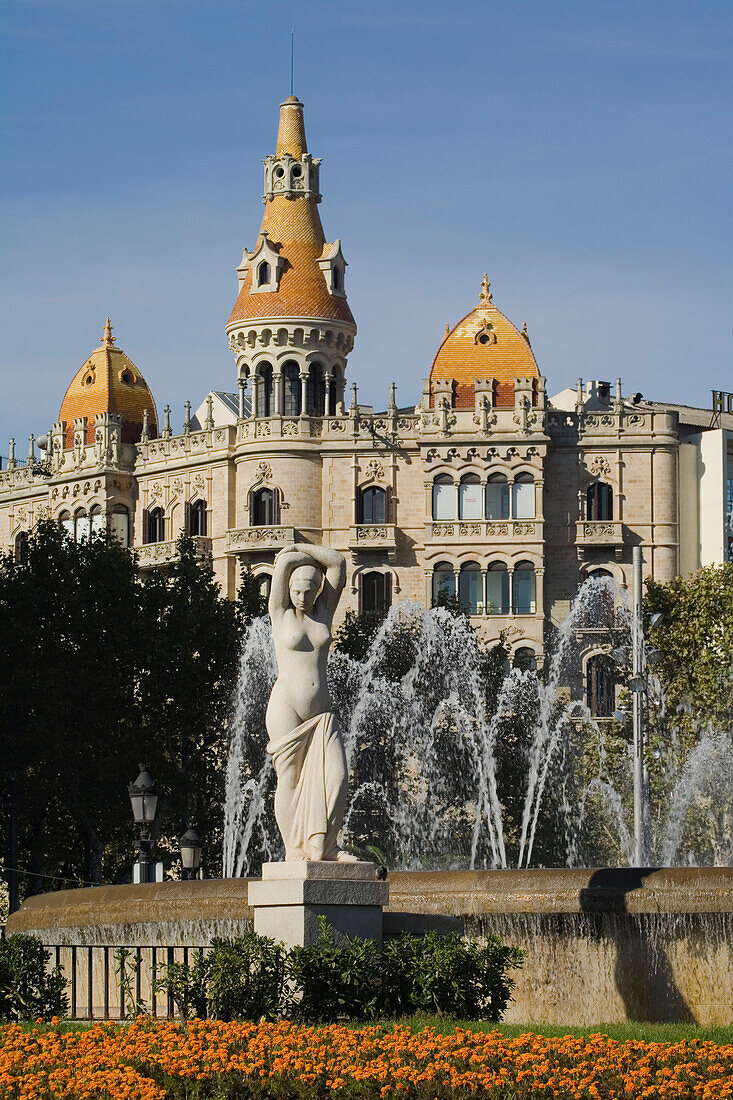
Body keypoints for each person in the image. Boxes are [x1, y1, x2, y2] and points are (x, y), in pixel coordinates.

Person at [266, 542, 356, 861]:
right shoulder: (279, 613)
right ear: (288, 588)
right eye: (297, 590)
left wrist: (299, 547)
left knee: (338, 776)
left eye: (309, 590)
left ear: (318, 590)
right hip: (286, 707)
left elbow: (338, 564)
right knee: (288, 778)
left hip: (322, 714)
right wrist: (291, 557)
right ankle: (294, 849)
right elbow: (283, 564)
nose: (302, 597)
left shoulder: (324, 612)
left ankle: (325, 846)